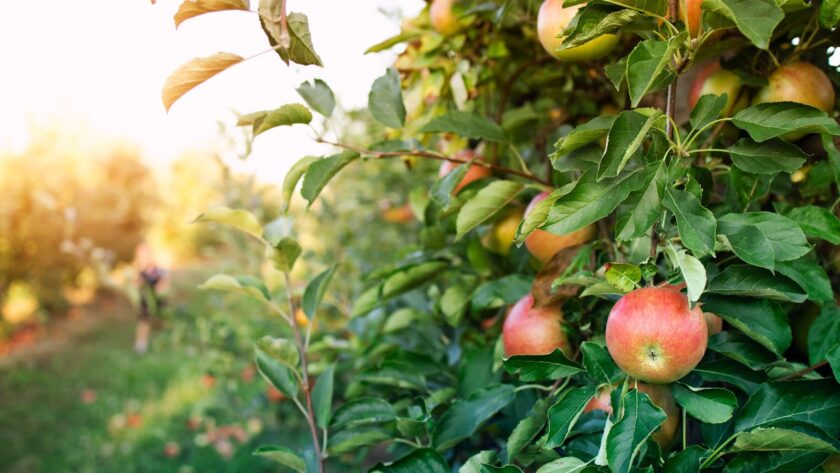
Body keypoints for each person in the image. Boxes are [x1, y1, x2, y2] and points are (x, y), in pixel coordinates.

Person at [133, 243, 168, 354]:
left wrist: (160, 287)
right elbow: (135, 285)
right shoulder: (140, 272)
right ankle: (141, 344)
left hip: (158, 298)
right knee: (144, 321)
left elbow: (165, 283)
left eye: (146, 255)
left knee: (163, 318)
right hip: (146, 300)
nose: (145, 259)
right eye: (142, 256)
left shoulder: (158, 270)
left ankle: (164, 339)